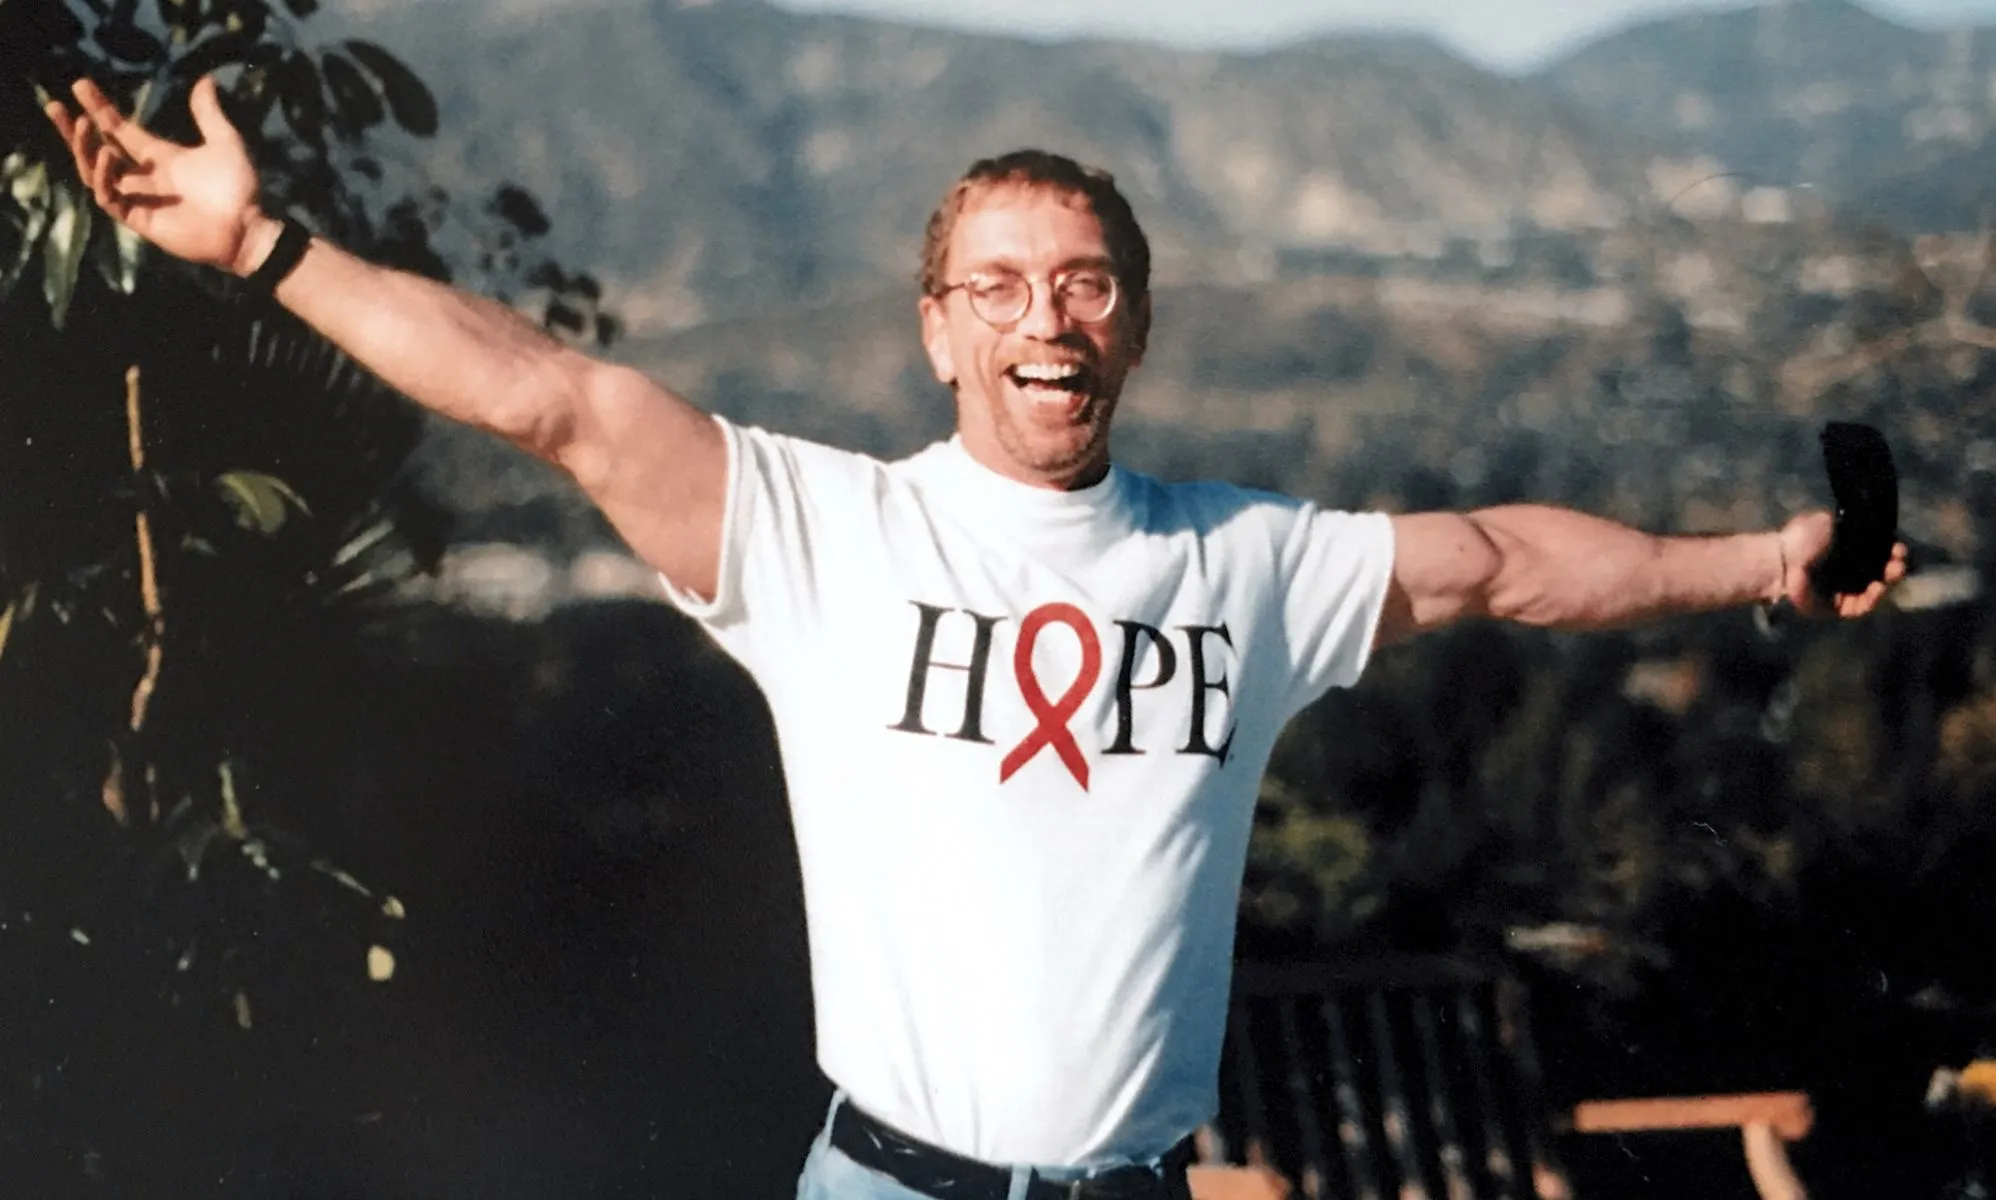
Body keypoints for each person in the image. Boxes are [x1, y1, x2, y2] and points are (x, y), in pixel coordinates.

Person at [46, 76, 1903, 1200]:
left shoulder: (1241, 565)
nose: (1048, 317)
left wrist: (1759, 558)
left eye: (1086, 283)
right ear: (937, 330)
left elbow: (1500, 561)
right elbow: (556, 403)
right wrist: (269, 251)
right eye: (1000, 285)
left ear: (1136, 327)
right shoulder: (825, 535)